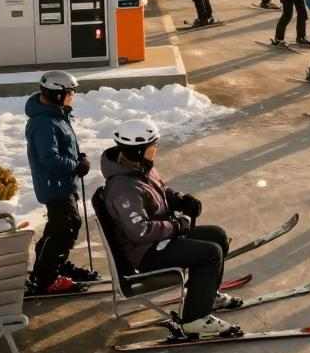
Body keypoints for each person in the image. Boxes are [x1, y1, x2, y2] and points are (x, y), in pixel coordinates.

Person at [102, 119, 240, 339]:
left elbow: (160, 192)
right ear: (138, 151)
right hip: (146, 252)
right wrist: (176, 226)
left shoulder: (139, 168)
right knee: (209, 253)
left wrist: (182, 200)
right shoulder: (122, 188)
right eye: (152, 147)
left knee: (217, 235)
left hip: (160, 239)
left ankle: (206, 295)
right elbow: (139, 231)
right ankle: (195, 319)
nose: (155, 150)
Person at [24, 70, 96, 295]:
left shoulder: (56, 115)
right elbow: (49, 158)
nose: (72, 96)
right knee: (63, 228)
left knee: (65, 226)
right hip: (54, 186)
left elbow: (64, 146)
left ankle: (55, 265)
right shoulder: (44, 122)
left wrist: (79, 156)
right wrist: (75, 166)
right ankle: (46, 278)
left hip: (62, 184)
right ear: (57, 95)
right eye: (69, 93)